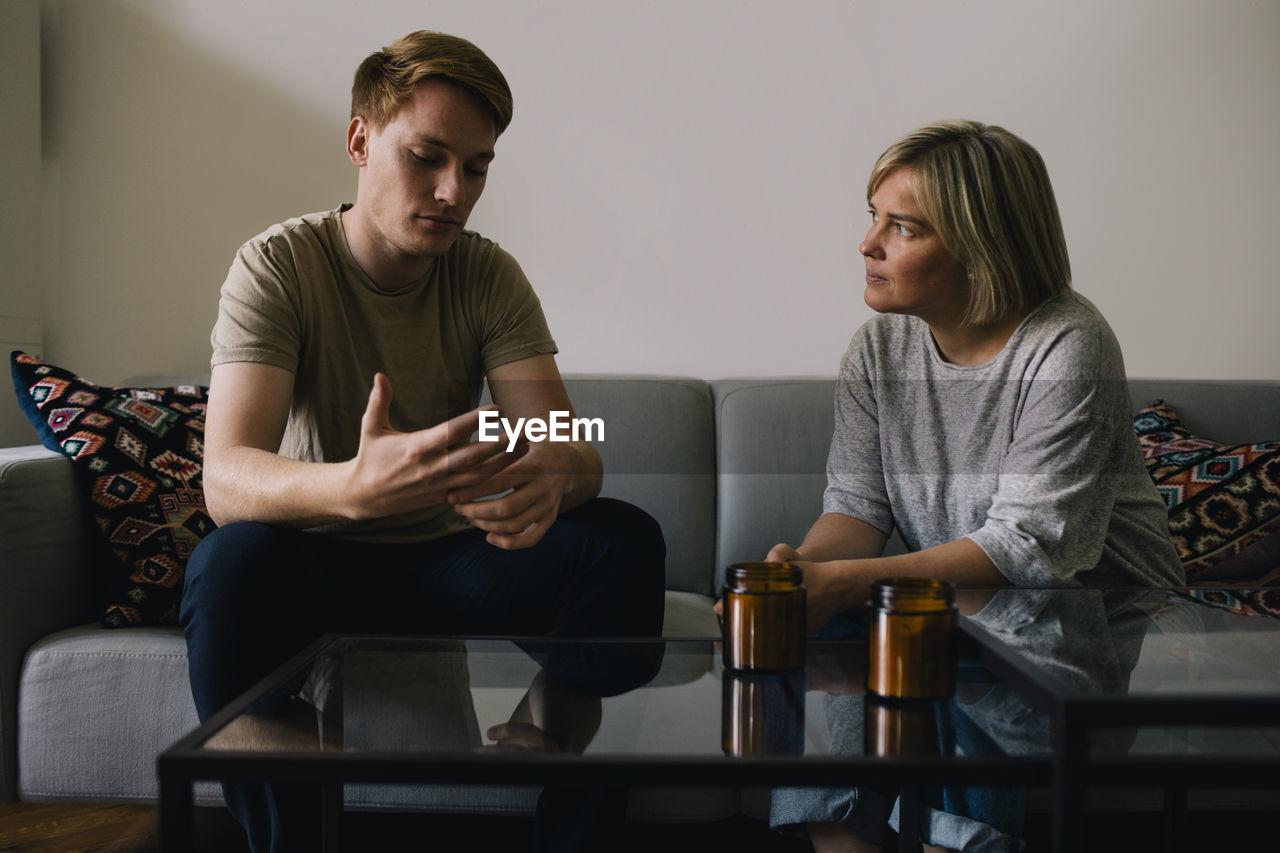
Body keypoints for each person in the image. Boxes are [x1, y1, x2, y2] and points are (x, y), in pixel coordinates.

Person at [179, 30, 666, 852]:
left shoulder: (486, 273)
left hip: (452, 558)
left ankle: (551, 777)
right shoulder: (277, 265)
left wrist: (555, 470)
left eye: (476, 168)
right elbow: (225, 480)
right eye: (428, 157)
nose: (453, 190)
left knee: (622, 542)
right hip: (319, 555)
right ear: (360, 140)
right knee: (227, 567)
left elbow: (573, 439)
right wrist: (353, 488)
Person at [756, 120, 1185, 852]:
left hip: (1085, 617)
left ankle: (952, 843)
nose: (868, 244)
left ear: (982, 248)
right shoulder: (879, 345)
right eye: (873, 217)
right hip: (962, 601)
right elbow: (857, 509)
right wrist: (809, 569)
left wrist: (849, 581)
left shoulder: (1068, 343)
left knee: (949, 645)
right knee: (800, 624)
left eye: (903, 227)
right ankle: (846, 841)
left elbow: (1031, 549)